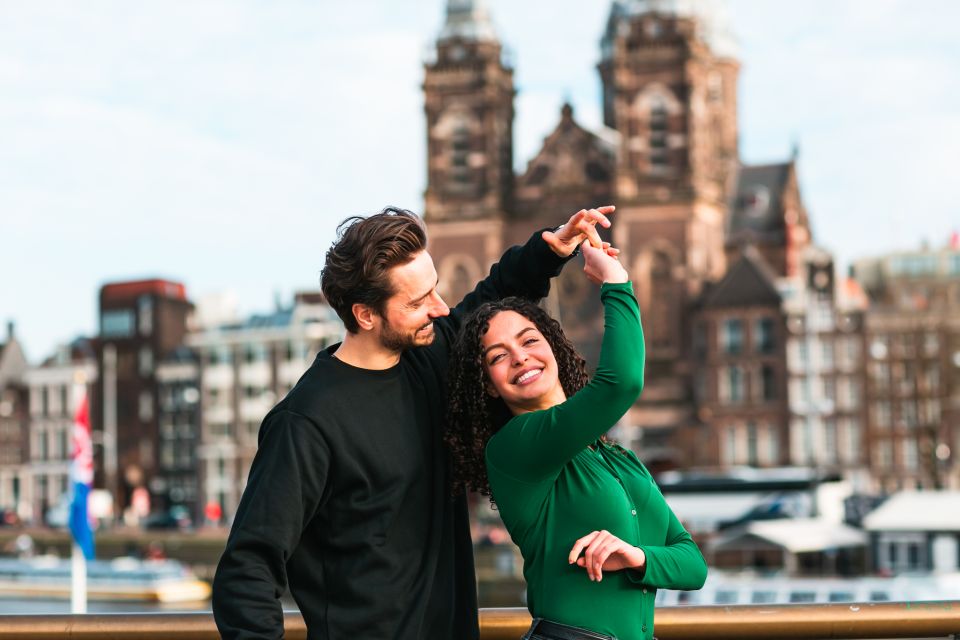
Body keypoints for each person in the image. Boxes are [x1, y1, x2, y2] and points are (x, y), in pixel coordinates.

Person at [212, 205, 616, 640]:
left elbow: (493, 296)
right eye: (419, 301)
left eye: (435, 289)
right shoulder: (306, 423)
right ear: (365, 314)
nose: (440, 308)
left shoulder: (430, 356)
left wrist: (549, 250)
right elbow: (248, 566)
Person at [445, 241, 707, 640]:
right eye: (497, 356)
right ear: (489, 387)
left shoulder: (618, 459)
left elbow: (692, 565)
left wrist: (636, 557)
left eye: (529, 340)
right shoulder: (514, 447)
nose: (519, 357)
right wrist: (616, 282)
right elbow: (622, 382)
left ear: (552, 345)